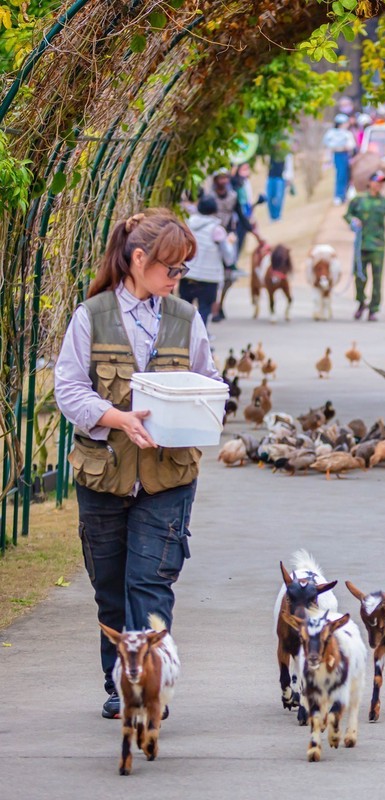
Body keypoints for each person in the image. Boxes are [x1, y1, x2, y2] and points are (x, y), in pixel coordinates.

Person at [53, 208, 219, 719]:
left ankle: (150, 683)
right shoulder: (92, 316)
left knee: (149, 585)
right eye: (172, 269)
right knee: (110, 586)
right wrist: (117, 418)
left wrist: (203, 408)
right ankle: (117, 680)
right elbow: (68, 387)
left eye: (183, 271)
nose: (177, 280)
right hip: (104, 475)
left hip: (168, 478)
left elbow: (210, 379)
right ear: (139, 259)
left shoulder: (187, 319)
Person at [344, 171, 385, 321]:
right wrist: (353, 221)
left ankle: (373, 309)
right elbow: (348, 214)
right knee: (360, 277)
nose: (379, 185)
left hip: (377, 246)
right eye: (377, 182)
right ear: (370, 182)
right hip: (361, 245)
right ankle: (361, 302)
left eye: (381, 183)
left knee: (377, 279)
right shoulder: (359, 199)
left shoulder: (384, 202)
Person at [204, 172, 262, 321]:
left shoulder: (232, 197)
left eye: (226, 178)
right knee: (211, 275)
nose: (223, 181)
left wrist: (256, 234)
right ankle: (211, 306)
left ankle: (220, 304)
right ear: (215, 180)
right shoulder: (209, 197)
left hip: (228, 238)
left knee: (228, 276)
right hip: (211, 238)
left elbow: (242, 216)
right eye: (220, 178)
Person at [182, 197, 237, 328]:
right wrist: (231, 242)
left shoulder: (187, 225)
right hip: (209, 277)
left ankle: (182, 342)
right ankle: (199, 342)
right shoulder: (217, 230)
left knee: (183, 310)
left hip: (188, 273)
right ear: (214, 210)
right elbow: (229, 258)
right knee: (204, 310)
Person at [323, 113, 356, 205]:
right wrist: (339, 148)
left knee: (347, 175)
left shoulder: (347, 133)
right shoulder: (331, 133)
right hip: (338, 156)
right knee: (340, 175)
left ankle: (345, 195)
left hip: (347, 156)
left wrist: (344, 147)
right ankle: (338, 196)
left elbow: (351, 145)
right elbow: (329, 144)